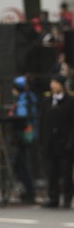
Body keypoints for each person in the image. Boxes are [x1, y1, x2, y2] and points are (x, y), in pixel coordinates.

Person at [39, 75, 74, 208]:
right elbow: (42, 121)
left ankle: (67, 197)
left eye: (56, 83)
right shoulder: (47, 101)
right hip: (50, 143)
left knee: (66, 172)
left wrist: (70, 142)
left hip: (65, 143)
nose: (53, 85)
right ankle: (53, 197)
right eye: (52, 82)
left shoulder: (70, 101)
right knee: (52, 172)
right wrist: (42, 141)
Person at [8, 76, 38, 203]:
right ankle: (27, 190)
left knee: (22, 164)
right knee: (21, 164)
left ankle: (29, 191)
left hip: (22, 136)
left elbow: (21, 117)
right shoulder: (29, 98)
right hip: (26, 135)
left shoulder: (23, 101)